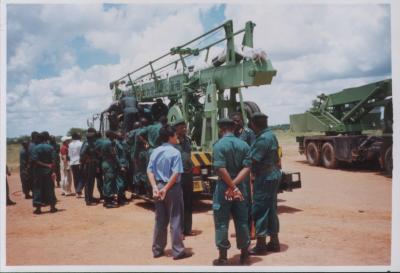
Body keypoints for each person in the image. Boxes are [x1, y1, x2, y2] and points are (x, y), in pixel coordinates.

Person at [147, 125, 192, 260]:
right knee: (176, 218)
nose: (177, 137)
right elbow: (176, 172)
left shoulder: (154, 152)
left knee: (160, 220)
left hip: (159, 186)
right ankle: (178, 251)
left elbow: (149, 171)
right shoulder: (175, 152)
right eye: (175, 135)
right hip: (172, 188)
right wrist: (166, 189)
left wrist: (155, 187)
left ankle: (157, 249)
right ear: (170, 137)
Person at [211, 118, 251, 266]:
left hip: (224, 188)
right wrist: (235, 186)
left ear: (221, 129)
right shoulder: (244, 145)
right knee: (242, 221)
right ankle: (245, 256)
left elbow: (221, 169)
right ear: (234, 128)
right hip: (240, 187)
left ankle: (222, 258)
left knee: (221, 222)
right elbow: (247, 167)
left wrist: (230, 187)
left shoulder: (218, 145)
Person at [248, 112, 282, 255]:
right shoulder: (271, 135)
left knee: (260, 208)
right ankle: (274, 242)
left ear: (254, 125)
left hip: (265, 177)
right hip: (273, 174)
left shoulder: (262, 139)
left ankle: (261, 245)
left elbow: (252, 159)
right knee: (271, 208)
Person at [231, 112, 256, 238]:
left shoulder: (248, 133)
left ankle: (252, 230)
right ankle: (242, 230)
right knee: (238, 201)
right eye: (233, 121)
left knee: (248, 201)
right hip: (236, 172)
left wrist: (252, 172)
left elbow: (253, 151)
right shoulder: (232, 135)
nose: (235, 123)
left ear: (241, 121)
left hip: (246, 171)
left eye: (237, 120)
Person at [173, 119, 194, 236]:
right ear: (176, 129)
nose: (185, 129)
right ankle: (179, 230)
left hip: (188, 174)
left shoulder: (187, 140)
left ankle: (187, 229)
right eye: (182, 128)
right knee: (178, 203)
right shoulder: (172, 141)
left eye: (185, 127)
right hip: (177, 175)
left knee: (188, 202)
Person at [31, 131, 58, 214]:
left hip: (38, 172)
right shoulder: (50, 148)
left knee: (37, 189)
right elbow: (54, 161)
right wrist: (52, 170)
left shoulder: (35, 148)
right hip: (49, 172)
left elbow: (34, 160)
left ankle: (38, 208)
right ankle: (52, 207)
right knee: (50, 189)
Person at [80, 128, 100, 206]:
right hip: (88, 165)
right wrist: (88, 159)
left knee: (91, 182)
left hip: (92, 164)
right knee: (88, 182)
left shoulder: (91, 144)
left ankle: (90, 197)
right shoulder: (87, 144)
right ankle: (88, 200)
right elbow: (82, 154)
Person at [99, 130, 119, 208]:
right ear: (110, 135)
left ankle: (107, 199)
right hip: (109, 164)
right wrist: (119, 164)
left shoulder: (103, 142)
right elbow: (113, 154)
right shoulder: (109, 143)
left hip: (104, 163)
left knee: (106, 182)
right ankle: (108, 202)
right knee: (109, 183)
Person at [68, 132, 84, 197]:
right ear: (78, 137)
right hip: (79, 162)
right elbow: (82, 153)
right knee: (82, 177)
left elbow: (69, 154)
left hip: (72, 162)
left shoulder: (70, 144)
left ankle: (77, 192)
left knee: (75, 177)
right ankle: (78, 190)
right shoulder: (81, 143)